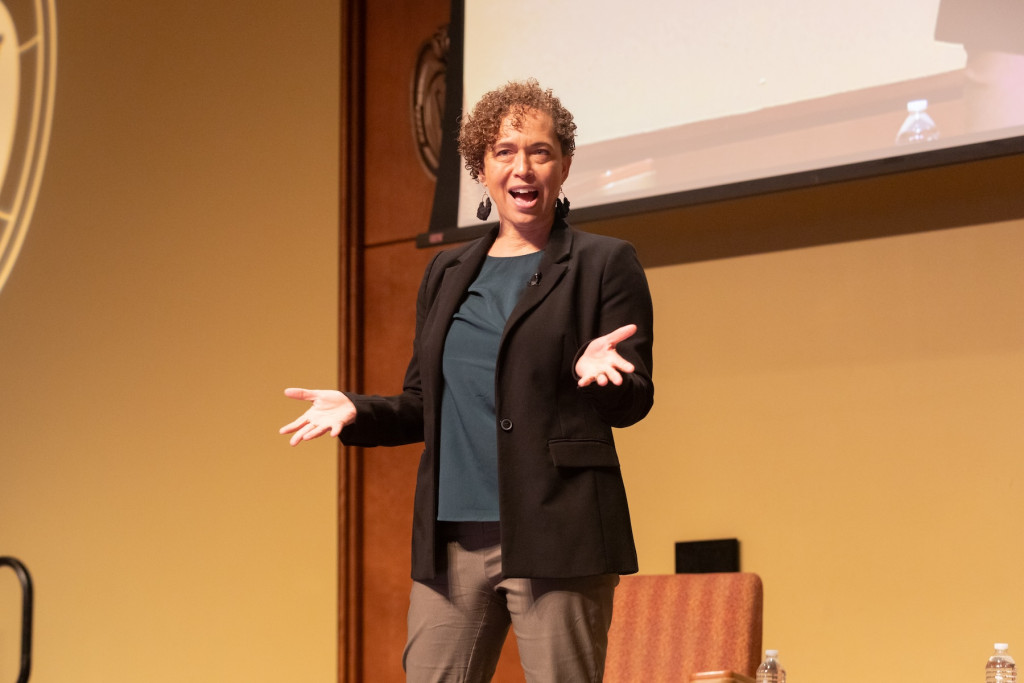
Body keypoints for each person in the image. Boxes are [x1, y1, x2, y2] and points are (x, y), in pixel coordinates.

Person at [280, 79, 654, 683]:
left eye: (540, 150)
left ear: (563, 165)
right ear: (481, 168)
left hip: (556, 535)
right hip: (452, 540)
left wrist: (599, 379)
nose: (522, 167)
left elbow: (634, 400)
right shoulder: (448, 271)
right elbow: (423, 403)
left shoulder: (603, 263)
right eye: (504, 151)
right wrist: (358, 410)